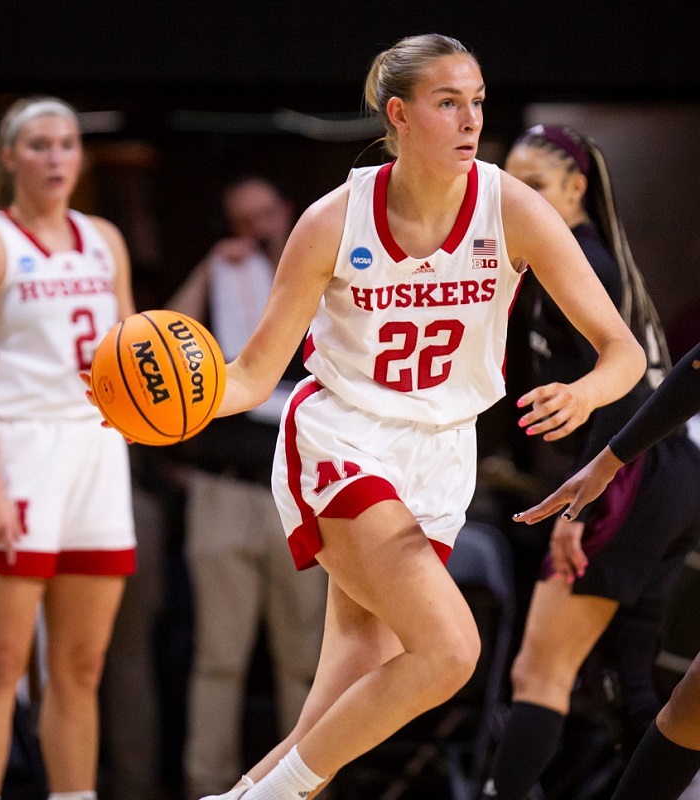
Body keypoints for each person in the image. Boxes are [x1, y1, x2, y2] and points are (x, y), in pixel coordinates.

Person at [181, 33, 651, 800]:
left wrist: (586, 394)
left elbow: (622, 353)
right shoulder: (333, 221)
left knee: (338, 705)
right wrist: (175, 408)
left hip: (440, 453)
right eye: (448, 103)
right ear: (398, 115)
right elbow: (252, 375)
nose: (470, 120)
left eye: (477, 103)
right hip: (344, 438)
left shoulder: (513, 207)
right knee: (450, 650)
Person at [478, 126, 700, 800]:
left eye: (536, 186)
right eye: (511, 187)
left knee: (539, 672)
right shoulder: (561, 264)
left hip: (634, 474)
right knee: (632, 679)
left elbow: (629, 385)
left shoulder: (584, 263)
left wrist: (583, 507)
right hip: (672, 475)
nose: (520, 200)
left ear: (576, 189)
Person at [0, 96, 137, 800]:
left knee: (82, 668)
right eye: (41, 145)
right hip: (20, 451)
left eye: (67, 145)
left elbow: (132, 351)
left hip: (97, 452)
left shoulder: (104, 239)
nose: (57, 157)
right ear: (10, 157)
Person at [166, 176, 327, 799]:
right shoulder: (225, 278)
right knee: (218, 657)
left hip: (305, 487)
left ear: (286, 209)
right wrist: (210, 268)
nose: (257, 228)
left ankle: (305, 790)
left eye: (265, 213)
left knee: (306, 661)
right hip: (226, 488)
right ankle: (206, 787)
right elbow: (158, 343)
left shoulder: (327, 271)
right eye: (243, 220)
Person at [515, 339, 700, 800]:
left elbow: (629, 362)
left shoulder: (591, 269)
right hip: (665, 466)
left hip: (659, 477)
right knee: (674, 699)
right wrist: (607, 463)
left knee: (544, 671)